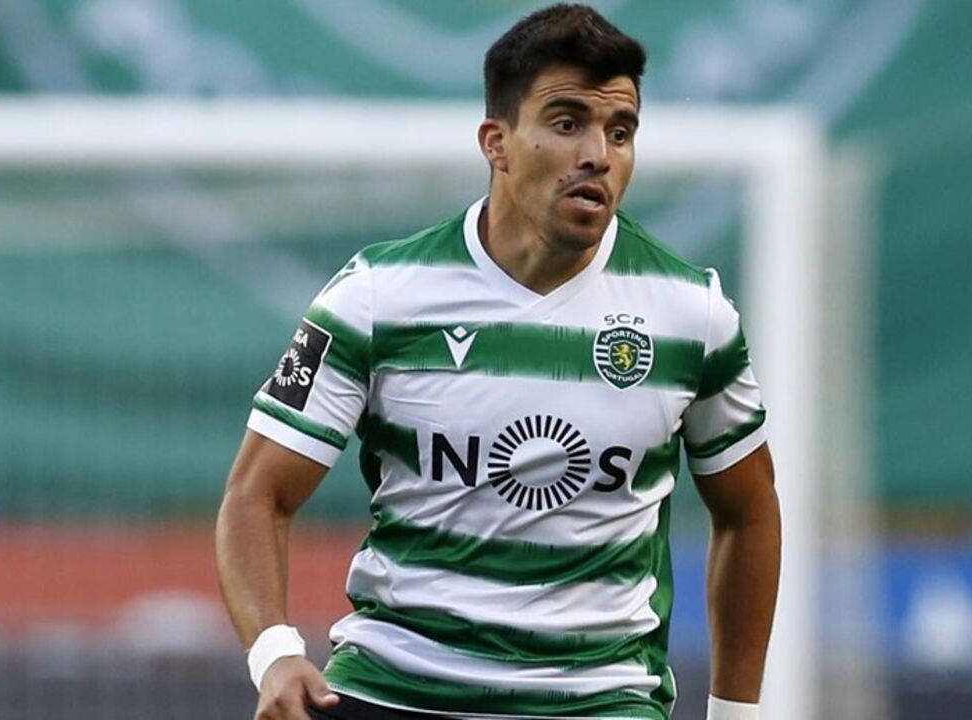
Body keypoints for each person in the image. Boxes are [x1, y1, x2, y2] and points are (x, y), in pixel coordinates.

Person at [215, 4, 780, 720]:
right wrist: (273, 651)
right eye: (567, 123)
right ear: (497, 143)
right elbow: (256, 494)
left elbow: (749, 512)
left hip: (597, 702)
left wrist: (736, 713)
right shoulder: (379, 295)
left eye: (620, 131)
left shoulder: (690, 312)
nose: (598, 155)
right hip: (395, 691)